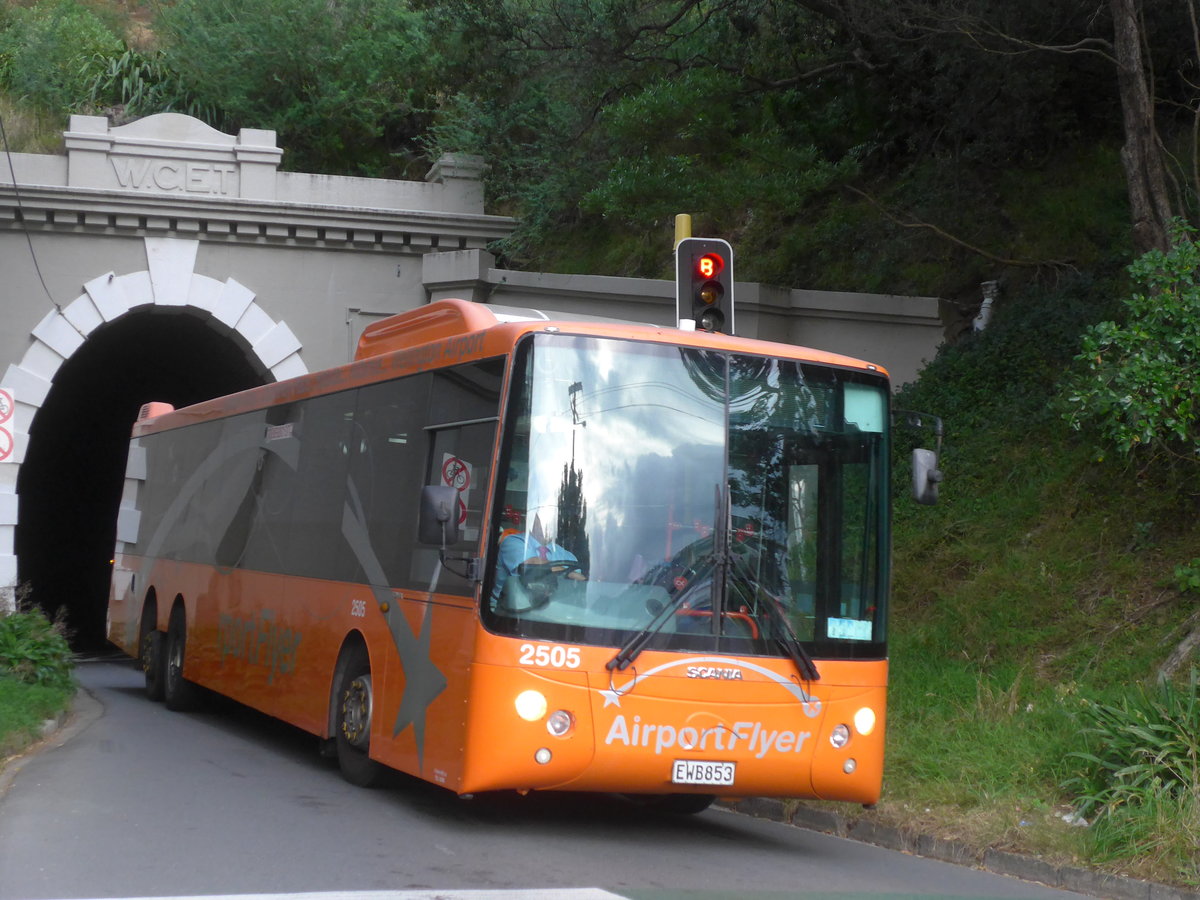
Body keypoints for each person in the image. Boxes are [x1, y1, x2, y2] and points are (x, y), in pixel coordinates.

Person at [492, 511, 584, 606]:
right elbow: (531, 564)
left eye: (553, 521)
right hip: (507, 611)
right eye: (543, 519)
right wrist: (569, 573)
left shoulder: (568, 556)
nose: (548, 525)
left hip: (554, 612)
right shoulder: (512, 542)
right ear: (531, 521)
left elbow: (575, 589)